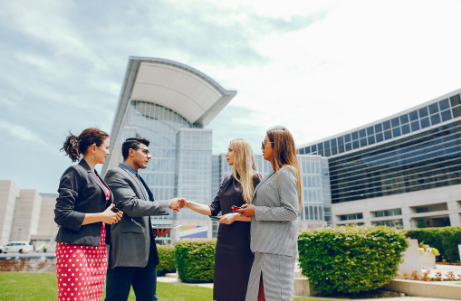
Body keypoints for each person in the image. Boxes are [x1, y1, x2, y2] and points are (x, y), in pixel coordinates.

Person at [180, 139, 261, 301]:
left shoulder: (255, 178)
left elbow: (261, 215)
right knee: (224, 292)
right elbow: (212, 209)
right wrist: (187, 204)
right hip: (224, 243)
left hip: (244, 245)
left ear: (241, 154)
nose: (226, 153)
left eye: (231, 150)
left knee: (240, 291)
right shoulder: (227, 180)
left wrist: (236, 217)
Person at [104, 137, 184, 301]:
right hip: (125, 252)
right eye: (145, 151)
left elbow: (138, 214)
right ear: (131, 152)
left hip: (146, 252)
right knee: (116, 298)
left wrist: (153, 231)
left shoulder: (138, 178)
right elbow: (131, 206)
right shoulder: (116, 174)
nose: (150, 156)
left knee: (149, 298)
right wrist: (167, 204)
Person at [55, 128, 123, 301]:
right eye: (106, 147)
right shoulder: (75, 172)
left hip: (98, 250)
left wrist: (111, 215)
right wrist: (102, 216)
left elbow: (99, 209)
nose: (108, 152)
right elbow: (62, 215)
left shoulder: (98, 177)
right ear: (94, 148)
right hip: (75, 248)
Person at [238, 126, 301, 301]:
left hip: (276, 251)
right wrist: (249, 211)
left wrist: (255, 210)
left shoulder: (286, 172)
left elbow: (290, 212)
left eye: (264, 143)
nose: (262, 147)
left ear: (277, 146)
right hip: (264, 249)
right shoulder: (273, 174)